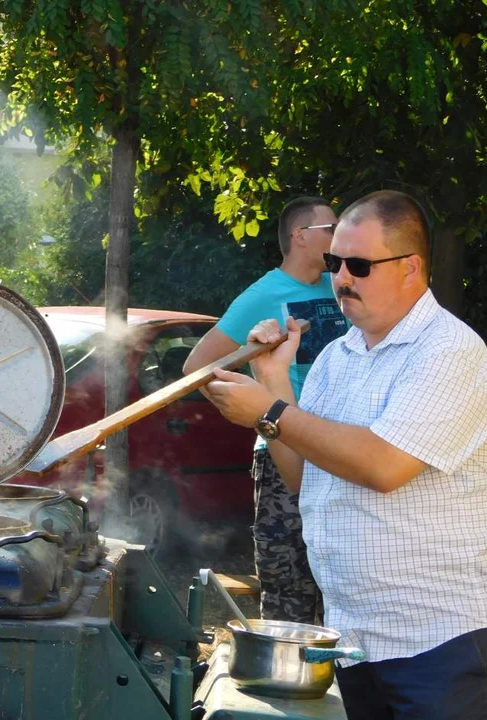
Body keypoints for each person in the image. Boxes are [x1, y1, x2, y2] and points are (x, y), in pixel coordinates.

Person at [204, 190, 487, 719]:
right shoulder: (335, 359)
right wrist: (274, 381)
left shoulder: (450, 352)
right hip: (358, 638)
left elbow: (382, 466)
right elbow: (305, 480)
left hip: (443, 638)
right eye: (334, 261)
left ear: (411, 268)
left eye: (360, 265)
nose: (341, 278)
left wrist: (272, 411)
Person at [182, 196, 347, 624]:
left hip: (340, 447)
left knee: (341, 575)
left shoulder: (344, 286)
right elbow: (196, 367)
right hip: (282, 452)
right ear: (299, 237)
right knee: (289, 579)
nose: (339, 236)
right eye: (330, 229)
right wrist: (258, 411)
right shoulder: (262, 295)